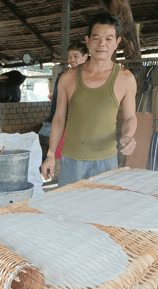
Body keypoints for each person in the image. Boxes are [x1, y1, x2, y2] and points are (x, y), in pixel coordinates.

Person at [41, 12, 137, 187]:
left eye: (109, 39)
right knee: (69, 210)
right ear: (87, 41)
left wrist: (128, 136)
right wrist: (50, 155)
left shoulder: (126, 79)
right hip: (71, 160)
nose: (102, 44)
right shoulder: (68, 78)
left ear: (117, 43)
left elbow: (130, 117)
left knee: (102, 211)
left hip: (106, 161)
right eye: (96, 38)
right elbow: (59, 119)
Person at [46, 41, 89, 180]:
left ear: (86, 57)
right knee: (65, 164)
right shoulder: (62, 77)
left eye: (76, 56)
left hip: (86, 127)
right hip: (66, 125)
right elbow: (56, 109)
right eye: (70, 56)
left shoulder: (92, 78)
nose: (72, 60)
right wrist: (56, 124)